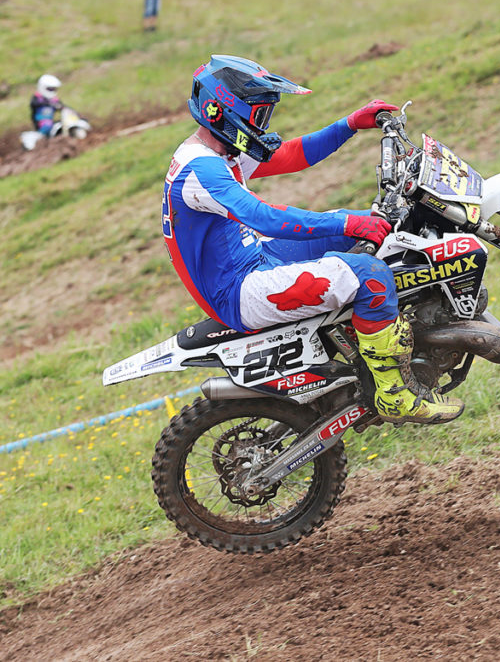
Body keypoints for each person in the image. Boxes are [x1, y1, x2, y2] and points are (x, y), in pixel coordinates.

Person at [162, 54, 464, 425]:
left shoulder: (219, 150)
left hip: (252, 259)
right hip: (239, 291)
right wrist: (346, 223)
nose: (263, 125)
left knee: (372, 225)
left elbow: (292, 155)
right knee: (369, 274)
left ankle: (375, 341)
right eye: (259, 115)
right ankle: (393, 395)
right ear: (221, 111)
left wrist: (350, 124)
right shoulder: (201, 170)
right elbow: (264, 217)